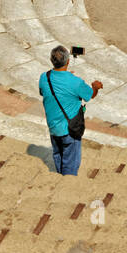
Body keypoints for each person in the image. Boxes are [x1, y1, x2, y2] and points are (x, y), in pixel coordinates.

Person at [38, 46, 103, 176]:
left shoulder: (44, 77)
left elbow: (42, 92)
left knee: (58, 155)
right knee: (71, 163)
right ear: (68, 61)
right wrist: (95, 87)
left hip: (53, 126)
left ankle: (59, 176)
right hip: (70, 130)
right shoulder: (75, 82)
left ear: (52, 60)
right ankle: (66, 183)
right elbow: (90, 95)